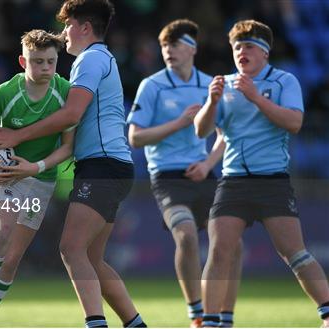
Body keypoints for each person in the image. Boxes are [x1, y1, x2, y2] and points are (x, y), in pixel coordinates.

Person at [0, 1, 146, 327]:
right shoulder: (103, 58)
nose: (63, 33)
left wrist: (17, 136)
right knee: (93, 259)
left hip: (102, 166)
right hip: (111, 167)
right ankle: (136, 324)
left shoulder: (90, 59)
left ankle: (95, 323)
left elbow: (71, 115)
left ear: (84, 27)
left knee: (71, 249)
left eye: (68, 25)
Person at [194, 19, 329, 328]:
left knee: (294, 253)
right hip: (233, 182)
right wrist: (211, 102)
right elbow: (202, 131)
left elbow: (294, 123)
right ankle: (212, 322)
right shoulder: (224, 85)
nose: (242, 52)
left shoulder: (284, 81)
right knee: (219, 251)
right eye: (237, 47)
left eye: (250, 46)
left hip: (272, 182)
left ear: (265, 53)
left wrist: (255, 97)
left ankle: (328, 313)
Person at [127, 19, 241, 328]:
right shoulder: (152, 85)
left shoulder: (210, 84)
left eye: (174, 45)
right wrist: (178, 123)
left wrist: (207, 163)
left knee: (233, 243)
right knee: (187, 235)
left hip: (203, 173)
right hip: (167, 177)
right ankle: (198, 315)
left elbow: (226, 134)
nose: (167, 51)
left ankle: (226, 318)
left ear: (192, 48)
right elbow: (135, 137)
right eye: (164, 45)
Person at [0, 29, 74, 328]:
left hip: (42, 178)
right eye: (38, 62)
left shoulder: (65, 92)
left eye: (51, 61)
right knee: (1, 233)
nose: (46, 68)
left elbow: (68, 147)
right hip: (6, 176)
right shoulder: (6, 93)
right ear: (23, 61)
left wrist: (35, 167)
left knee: (11, 260)